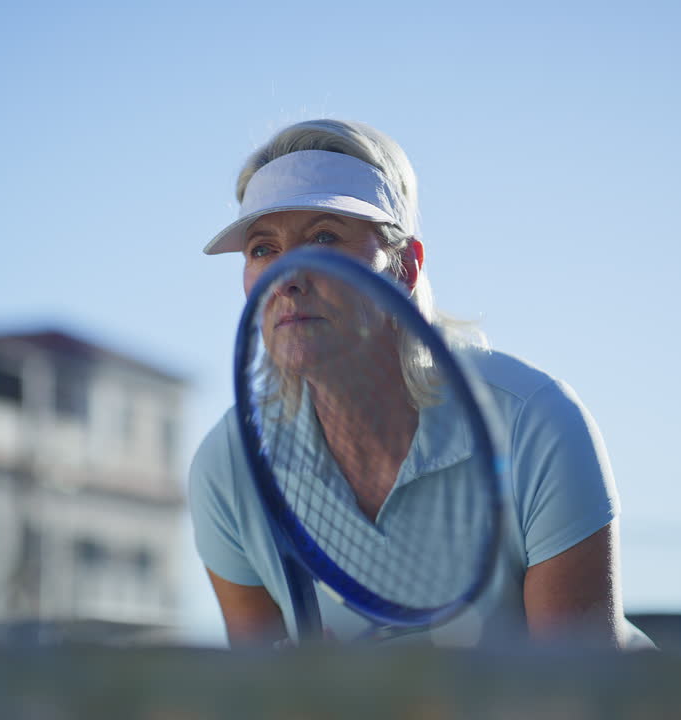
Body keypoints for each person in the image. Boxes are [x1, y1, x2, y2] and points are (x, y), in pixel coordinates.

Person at [190, 118, 651, 650]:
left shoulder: (536, 420)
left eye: (323, 237)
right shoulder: (227, 467)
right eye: (263, 249)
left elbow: (576, 696)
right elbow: (262, 697)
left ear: (405, 265)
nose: (287, 276)